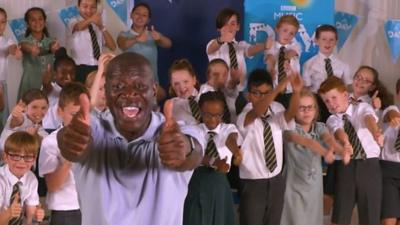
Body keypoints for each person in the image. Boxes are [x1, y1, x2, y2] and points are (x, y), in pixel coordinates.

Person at [57, 52, 205, 225]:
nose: (129, 95)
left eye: (140, 86)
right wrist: (69, 140)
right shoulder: (92, 130)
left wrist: (184, 149)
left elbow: (194, 151)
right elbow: (68, 140)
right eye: (118, 87)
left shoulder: (175, 132)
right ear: (106, 92)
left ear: (154, 90)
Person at [237, 69, 302, 225]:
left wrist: (297, 92)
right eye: (257, 93)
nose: (262, 97)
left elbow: (289, 116)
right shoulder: (245, 115)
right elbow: (258, 110)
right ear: (249, 94)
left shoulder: (277, 108)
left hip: (276, 179)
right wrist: (277, 89)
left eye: (266, 93)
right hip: (253, 182)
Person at [318, 76, 384, 225]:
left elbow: (369, 120)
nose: (331, 103)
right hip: (345, 168)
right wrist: (346, 142)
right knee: (340, 214)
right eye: (326, 101)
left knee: (370, 215)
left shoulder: (362, 107)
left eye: (334, 98)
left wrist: (376, 133)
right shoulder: (332, 119)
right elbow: (338, 131)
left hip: (369, 166)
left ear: (345, 95)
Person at [280, 88, 347, 225]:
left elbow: (329, 140)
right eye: (301, 108)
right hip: (293, 186)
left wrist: (342, 150)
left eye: (310, 107)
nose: (306, 111)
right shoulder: (288, 129)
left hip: (314, 186)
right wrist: (325, 153)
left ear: (316, 110)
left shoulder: (320, 127)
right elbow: (307, 142)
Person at [183, 91, 242, 225]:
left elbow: (230, 140)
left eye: (217, 115)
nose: (213, 119)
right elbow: (193, 154)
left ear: (223, 113)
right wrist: (213, 161)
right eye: (207, 115)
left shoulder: (228, 128)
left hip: (219, 185)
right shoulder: (193, 130)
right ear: (200, 111)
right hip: (197, 183)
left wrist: (237, 153)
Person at [207, 8, 272, 121]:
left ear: (238, 27)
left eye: (232, 24)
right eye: (225, 24)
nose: (229, 28)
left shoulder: (240, 45)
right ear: (219, 28)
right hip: (219, 93)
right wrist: (221, 40)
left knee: (240, 122)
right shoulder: (214, 45)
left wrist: (264, 46)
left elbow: (250, 50)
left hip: (239, 94)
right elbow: (211, 48)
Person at [39, 83, 89, 225]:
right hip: (66, 211)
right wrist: (68, 159)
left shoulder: (97, 137)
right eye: (74, 114)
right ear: (60, 112)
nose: (79, 119)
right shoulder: (51, 142)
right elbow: (53, 186)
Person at [303, 24, 351, 122]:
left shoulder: (343, 65)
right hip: (318, 102)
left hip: (337, 103)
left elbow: (348, 87)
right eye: (324, 39)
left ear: (336, 42)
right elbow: (306, 88)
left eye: (331, 40)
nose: (327, 43)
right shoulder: (309, 64)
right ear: (316, 41)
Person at [117, 2, 171, 85]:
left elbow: (168, 44)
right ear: (131, 15)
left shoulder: (152, 35)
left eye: (144, 15)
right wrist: (137, 39)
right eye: (137, 13)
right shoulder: (123, 34)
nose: (140, 17)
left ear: (148, 20)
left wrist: (160, 38)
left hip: (150, 81)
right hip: (130, 82)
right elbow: (123, 44)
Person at [0, 131, 44, 225]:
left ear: (34, 159)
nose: (22, 162)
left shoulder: (31, 179)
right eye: (15, 156)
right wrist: (8, 213)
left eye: (28, 157)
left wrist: (36, 217)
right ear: (5, 157)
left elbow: (30, 216)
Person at [68, 0, 116, 83]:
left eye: (93, 7)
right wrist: (92, 19)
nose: (89, 10)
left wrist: (101, 27)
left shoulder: (98, 25)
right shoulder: (73, 20)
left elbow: (112, 46)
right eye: (85, 6)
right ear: (78, 7)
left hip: (97, 67)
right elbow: (78, 27)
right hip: (79, 68)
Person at [18, 7, 60, 100]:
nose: (37, 22)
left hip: (49, 83)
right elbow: (25, 46)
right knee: (28, 110)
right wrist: (32, 48)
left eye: (40, 19)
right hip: (30, 83)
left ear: (44, 21)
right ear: (27, 24)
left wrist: (54, 48)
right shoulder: (23, 41)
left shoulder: (52, 41)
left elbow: (54, 47)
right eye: (33, 20)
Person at [264, 15, 301, 108]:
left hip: (290, 91)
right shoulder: (271, 46)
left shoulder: (296, 46)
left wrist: (287, 59)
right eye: (285, 30)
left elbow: (291, 53)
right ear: (277, 29)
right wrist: (271, 66)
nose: (287, 35)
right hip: (274, 90)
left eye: (291, 33)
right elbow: (269, 57)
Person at [0, 89, 48, 153]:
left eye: (43, 108)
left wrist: (35, 135)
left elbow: (44, 141)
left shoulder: (39, 126)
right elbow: (18, 121)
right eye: (34, 107)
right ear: (25, 107)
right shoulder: (22, 116)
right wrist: (16, 117)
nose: (39, 112)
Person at [379, 78, 400, 225]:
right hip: (388, 171)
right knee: (389, 219)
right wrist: (393, 117)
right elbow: (390, 113)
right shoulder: (392, 110)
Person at [42, 47, 76, 132]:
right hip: (49, 128)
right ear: (54, 74)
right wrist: (46, 80)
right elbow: (46, 86)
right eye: (63, 73)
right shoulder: (52, 87)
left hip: (66, 129)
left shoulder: (75, 90)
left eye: (71, 73)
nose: (68, 77)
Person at [0, 7, 22, 126]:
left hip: (2, 83)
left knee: (3, 114)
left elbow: (12, 48)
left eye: (3, 21)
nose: (0, 25)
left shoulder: (6, 40)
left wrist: (15, 51)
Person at [168, 58, 200, 125]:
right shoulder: (172, 105)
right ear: (172, 85)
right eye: (176, 84)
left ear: (194, 80)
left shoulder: (207, 94)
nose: (182, 87)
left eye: (185, 81)